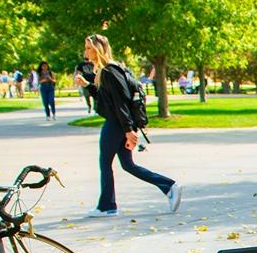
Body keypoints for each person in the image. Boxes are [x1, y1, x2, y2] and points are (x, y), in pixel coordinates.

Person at [76, 34, 182, 218]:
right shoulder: (106, 71)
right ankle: (169, 186)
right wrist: (89, 85)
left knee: (105, 163)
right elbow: (107, 100)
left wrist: (128, 130)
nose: (86, 52)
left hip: (116, 124)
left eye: (89, 48)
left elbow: (120, 103)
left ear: (98, 49)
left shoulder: (109, 71)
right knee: (127, 165)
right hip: (119, 123)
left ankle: (107, 206)